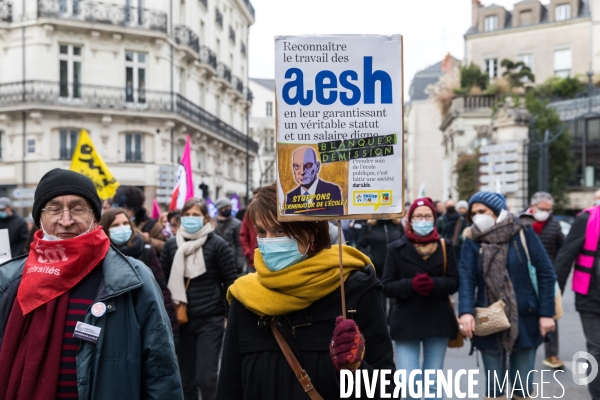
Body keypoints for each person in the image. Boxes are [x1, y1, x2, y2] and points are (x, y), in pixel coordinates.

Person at [0, 168, 182, 399]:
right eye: (54, 209)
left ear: (95, 217)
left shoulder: (135, 279)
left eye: (78, 209)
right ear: (39, 219)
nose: (65, 220)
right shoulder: (8, 281)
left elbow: (161, 372)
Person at [216, 184, 395, 399]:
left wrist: (357, 368)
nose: (269, 241)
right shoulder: (246, 297)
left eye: (280, 230)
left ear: (311, 233)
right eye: (262, 232)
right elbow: (229, 387)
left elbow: (387, 390)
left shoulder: (354, 290)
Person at [458, 192, 556, 400]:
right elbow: (467, 278)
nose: (477, 217)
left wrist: (547, 313)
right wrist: (466, 312)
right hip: (487, 317)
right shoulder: (472, 240)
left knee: (522, 386)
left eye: (482, 211)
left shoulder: (522, 232)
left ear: (497, 210)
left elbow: (546, 273)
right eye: (473, 213)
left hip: (525, 316)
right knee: (495, 388)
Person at [382, 198, 458, 400]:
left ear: (434, 218)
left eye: (427, 216)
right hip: (407, 319)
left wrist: (434, 285)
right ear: (410, 219)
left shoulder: (445, 245)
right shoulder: (395, 248)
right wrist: (411, 286)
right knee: (408, 383)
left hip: (437, 319)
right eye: (418, 216)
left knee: (433, 383)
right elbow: (387, 285)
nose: (422, 220)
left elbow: (454, 282)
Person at [161, 198, 237, 400]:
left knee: (207, 377)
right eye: (187, 215)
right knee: (187, 379)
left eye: (196, 215)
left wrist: (227, 315)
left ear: (205, 219)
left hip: (210, 320)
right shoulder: (171, 245)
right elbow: (163, 283)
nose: (191, 219)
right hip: (182, 321)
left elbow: (230, 281)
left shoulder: (218, 244)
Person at [100, 207, 178, 336]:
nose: (122, 228)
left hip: (143, 322)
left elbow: (161, 291)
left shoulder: (146, 251)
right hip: (111, 325)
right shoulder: (100, 257)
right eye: (115, 225)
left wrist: (171, 328)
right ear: (106, 229)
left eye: (125, 223)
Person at [554, 196, 600, 400]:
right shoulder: (586, 220)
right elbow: (565, 258)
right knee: (597, 349)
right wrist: (553, 299)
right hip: (591, 297)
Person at [520, 192, 564, 369]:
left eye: (548, 209)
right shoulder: (520, 221)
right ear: (532, 205)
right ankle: (523, 347)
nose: (545, 212)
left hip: (546, 276)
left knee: (551, 314)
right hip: (524, 276)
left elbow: (563, 248)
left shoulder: (554, 225)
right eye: (542, 209)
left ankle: (551, 354)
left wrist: (556, 271)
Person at [284, 146, 344, 215]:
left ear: (317, 167)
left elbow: (335, 219)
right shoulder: (290, 196)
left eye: (308, 165)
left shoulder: (333, 191)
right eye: (297, 166)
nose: (302, 172)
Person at [113, 186, 166, 255]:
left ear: (136, 208)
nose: (125, 211)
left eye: (129, 208)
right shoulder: (115, 221)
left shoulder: (152, 225)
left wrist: (148, 240)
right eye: (122, 207)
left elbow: (164, 246)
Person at [214, 197, 245, 275]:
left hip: (230, 260)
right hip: (214, 259)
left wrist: (239, 264)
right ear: (220, 208)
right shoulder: (212, 222)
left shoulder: (237, 223)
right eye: (226, 207)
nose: (229, 209)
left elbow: (239, 245)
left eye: (230, 207)